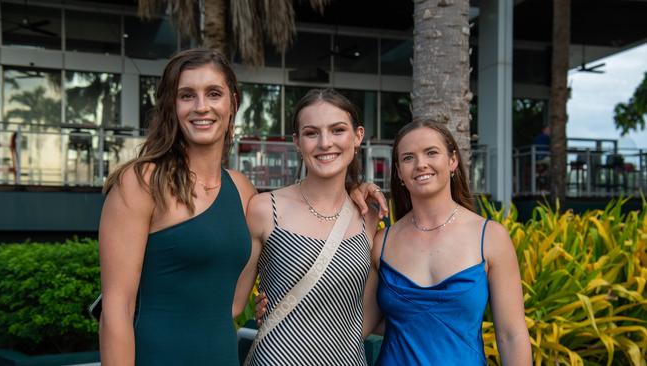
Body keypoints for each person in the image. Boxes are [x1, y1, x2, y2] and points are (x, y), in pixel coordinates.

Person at [98, 49, 386, 366]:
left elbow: (235, 302)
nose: (201, 107)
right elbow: (117, 307)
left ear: (232, 102)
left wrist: (354, 189)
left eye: (214, 93)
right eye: (186, 95)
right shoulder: (140, 183)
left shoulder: (242, 190)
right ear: (172, 105)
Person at [364, 121, 532, 365]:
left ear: (452, 161)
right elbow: (357, 325)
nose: (421, 163)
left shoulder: (490, 237)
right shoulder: (382, 241)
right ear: (399, 172)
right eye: (408, 157)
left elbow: (511, 336)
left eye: (431, 152)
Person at [235, 89, 382, 365]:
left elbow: (373, 307)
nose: (325, 143)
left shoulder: (368, 215)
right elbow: (231, 300)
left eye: (338, 130)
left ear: (358, 136)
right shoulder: (265, 208)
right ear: (297, 142)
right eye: (312, 133)